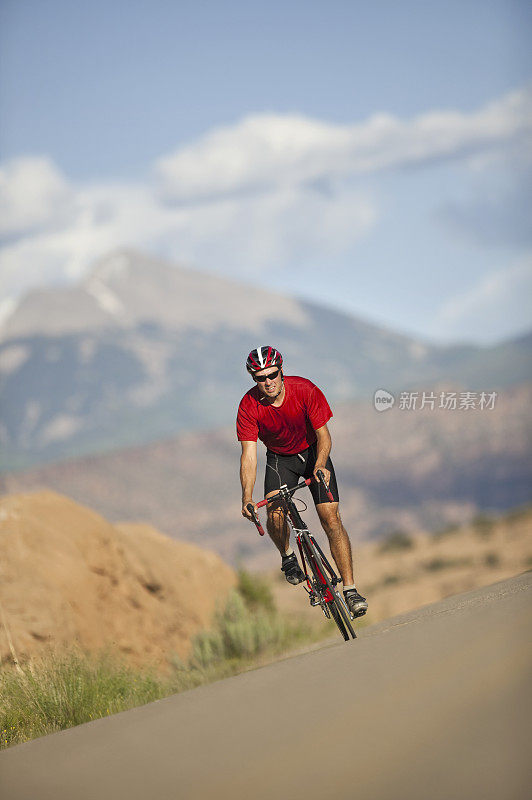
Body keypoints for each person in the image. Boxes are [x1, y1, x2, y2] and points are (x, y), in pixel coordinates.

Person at [237, 345, 368, 618]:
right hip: (279, 459)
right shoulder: (248, 405)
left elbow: (324, 436)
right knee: (275, 512)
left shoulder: (305, 389)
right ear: (253, 379)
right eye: (261, 378)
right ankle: (287, 557)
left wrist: (320, 465)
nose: (268, 382)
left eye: (272, 374)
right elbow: (249, 455)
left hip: (312, 454)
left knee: (330, 518)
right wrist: (247, 497)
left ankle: (351, 590)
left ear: (281, 371)